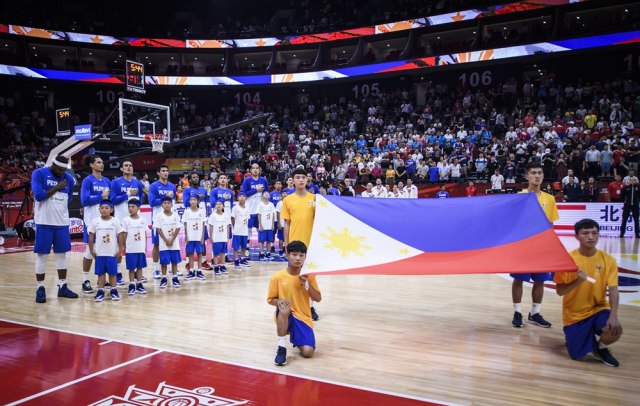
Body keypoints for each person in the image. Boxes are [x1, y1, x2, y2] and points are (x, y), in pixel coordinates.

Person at [554, 219, 622, 367]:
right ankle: (581, 338)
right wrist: (578, 281)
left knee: (615, 329)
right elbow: (560, 291)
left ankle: (600, 348)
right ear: (576, 237)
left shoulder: (608, 260)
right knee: (578, 356)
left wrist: (613, 315)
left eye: (594, 233)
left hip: (598, 308)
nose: (591, 237)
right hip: (574, 315)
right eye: (585, 233)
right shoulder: (568, 261)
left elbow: (613, 289)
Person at [511, 162, 559, 328]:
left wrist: (550, 246)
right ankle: (517, 312)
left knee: (540, 280)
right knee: (518, 279)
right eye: (533, 173)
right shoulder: (519, 197)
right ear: (527, 176)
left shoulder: (550, 199)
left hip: (541, 247)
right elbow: (514, 222)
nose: (537, 176)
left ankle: (535, 313)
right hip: (523, 246)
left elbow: (550, 225)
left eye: (539, 173)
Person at [31, 155, 78, 303]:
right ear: (53, 165)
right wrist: (57, 187)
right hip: (44, 222)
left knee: (62, 255)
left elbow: (68, 199)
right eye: (59, 169)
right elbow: (39, 196)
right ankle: (40, 288)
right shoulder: (39, 173)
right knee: (42, 256)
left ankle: (62, 286)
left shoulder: (68, 179)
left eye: (64, 170)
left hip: (62, 223)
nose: (62, 172)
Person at [267, 241, 321, 366]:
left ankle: (297, 337)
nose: (298, 258)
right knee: (284, 308)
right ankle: (281, 347)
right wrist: (280, 301)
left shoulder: (309, 276)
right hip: (286, 314)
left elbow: (318, 298)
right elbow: (270, 299)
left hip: (303, 317)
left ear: (305, 257)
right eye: (294, 254)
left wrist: (307, 285)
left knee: (308, 352)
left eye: (301, 255)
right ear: (287, 255)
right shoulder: (278, 277)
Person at [282, 167, 319, 321]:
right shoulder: (287, 200)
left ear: (307, 180)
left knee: (310, 277)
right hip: (294, 245)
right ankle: (295, 306)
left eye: (303, 177)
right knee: (294, 277)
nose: (301, 180)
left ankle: (310, 307)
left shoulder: (315, 199)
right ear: (293, 180)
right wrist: (286, 244)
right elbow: (286, 224)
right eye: (298, 177)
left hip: (311, 244)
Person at [80, 155, 111, 294]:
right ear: (92, 165)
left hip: (105, 221)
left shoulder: (107, 181)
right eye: (98, 162)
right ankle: (85, 280)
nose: (101, 164)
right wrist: (101, 196)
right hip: (91, 221)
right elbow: (84, 201)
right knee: (90, 250)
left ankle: (102, 279)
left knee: (105, 249)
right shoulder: (87, 180)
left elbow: (109, 201)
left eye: (102, 162)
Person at [110, 159, 144, 285]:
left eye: (130, 165)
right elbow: (113, 200)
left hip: (134, 221)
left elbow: (140, 200)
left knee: (134, 246)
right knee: (119, 247)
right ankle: (118, 273)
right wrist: (128, 194)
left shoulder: (138, 183)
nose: (128, 167)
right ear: (121, 169)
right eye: (126, 165)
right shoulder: (116, 182)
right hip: (120, 219)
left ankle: (135, 273)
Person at [88, 200, 124, 302]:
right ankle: (100, 291)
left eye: (106, 208)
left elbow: (121, 235)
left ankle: (113, 290)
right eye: (102, 208)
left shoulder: (115, 221)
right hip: (99, 253)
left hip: (112, 253)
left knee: (112, 273)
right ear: (99, 209)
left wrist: (120, 249)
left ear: (111, 210)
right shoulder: (95, 221)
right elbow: (91, 236)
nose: (104, 210)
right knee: (101, 273)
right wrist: (91, 250)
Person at [149, 165, 177, 279]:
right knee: (156, 244)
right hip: (158, 219)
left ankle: (171, 268)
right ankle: (156, 269)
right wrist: (165, 197)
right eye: (163, 171)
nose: (165, 173)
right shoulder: (154, 186)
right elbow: (151, 202)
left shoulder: (172, 186)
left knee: (171, 243)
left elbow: (173, 203)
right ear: (158, 173)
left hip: (170, 219)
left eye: (167, 171)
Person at [183, 172, 213, 272]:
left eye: (197, 177)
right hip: (191, 217)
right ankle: (188, 263)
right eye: (193, 177)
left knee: (203, 239)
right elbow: (185, 203)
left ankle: (203, 262)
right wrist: (197, 199)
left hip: (201, 217)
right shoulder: (187, 190)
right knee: (189, 240)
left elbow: (206, 202)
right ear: (190, 180)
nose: (195, 178)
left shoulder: (203, 190)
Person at [153, 197, 182, 289]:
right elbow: (158, 229)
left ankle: (175, 278)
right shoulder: (159, 216)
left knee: (174, 262)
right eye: (165, 203)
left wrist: (172, 240)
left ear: (172, 205)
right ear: (162, 205)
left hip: (174, 244)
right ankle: (164, 278)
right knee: (164, 262)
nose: (167, 205)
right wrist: (166, 240)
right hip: (164, 244)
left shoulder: (176, 215)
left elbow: (178, 228)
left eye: (168, 203)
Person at [121, 199, 148, 295]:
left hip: (140, 248)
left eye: (133, 207)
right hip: (130, 248)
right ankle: (132, 284)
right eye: (129, 207)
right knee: (131, 268)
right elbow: (124, 234)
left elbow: (145, 234)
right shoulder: (125, 220)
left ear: (138, 208)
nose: (130, 209)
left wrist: (145, 246)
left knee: (140, 267)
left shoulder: (143, 220)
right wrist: (124, 246)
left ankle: (139, 284)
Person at [241, 163, 269, 248]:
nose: (255, 170)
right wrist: (256, 190)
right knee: (248, 229)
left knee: (260, 228)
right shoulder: (247, 180)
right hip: (250, 209)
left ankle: (262, 249)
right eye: (253, 168)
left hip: (261, 210)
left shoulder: (264, 180)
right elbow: (243, 194)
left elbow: (266, 193)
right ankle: (246, 247)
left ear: (260, 170)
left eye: (257, 168)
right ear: (250, 170)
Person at [183, 193, 207, 281]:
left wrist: (202, 237)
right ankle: (191, 271)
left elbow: (203, 225)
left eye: (194, 200)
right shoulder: (186, 212)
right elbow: (185, 225)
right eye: (191, 200)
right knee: (190, 254)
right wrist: (186, 236)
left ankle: (199, 271)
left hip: (199, 236)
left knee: (200, 253)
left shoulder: (202, 212)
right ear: (189, 201)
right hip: (190, 237)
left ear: (197, 201)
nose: (193, 201)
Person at [208, 200, 231, 276]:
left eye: (220, 204)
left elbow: (227, 227)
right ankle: (216, 267)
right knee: (215, 254)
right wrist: (211, 237)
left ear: (223, 206)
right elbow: (210, 227)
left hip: (223, 238)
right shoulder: (213, 216)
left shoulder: (226, 216)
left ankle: (222, 266)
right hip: (216, 238)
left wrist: (227, 236)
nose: (218, 205)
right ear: (215, 206)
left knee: (223, 253)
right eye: (217, 204)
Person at [231, 192, 251, 269]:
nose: (242, 197)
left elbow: (247, 219)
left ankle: (242, 259)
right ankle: (236, 260)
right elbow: (232, 218)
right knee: (236, 246)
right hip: (237, 230)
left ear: (246, 198)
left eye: (243, 196)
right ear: (237, 198)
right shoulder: (235, 207)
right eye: (240, 196)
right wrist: (234, 226)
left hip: (244, 230)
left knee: (243, 246)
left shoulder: (247, 208)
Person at [258, 191, 277, 261]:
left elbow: (273, 214)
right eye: (265, 193)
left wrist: (273, 224)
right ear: (262, 196)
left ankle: (268, 253)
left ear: (269, 196)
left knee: (269, 240)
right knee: (261, 240)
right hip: (263, 225)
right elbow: (259, 215)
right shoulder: (260, 204)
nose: (266, 194)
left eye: (268, 194)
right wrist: (260, 224)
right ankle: (261, 254)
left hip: (269, 225)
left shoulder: (271, 204)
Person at [274, 191, 288, 258]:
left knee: (287, 238)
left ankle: (286, 250)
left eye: (286, 193)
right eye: (283, 193)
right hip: (282, 223)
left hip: (288, 223)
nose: (284, 194)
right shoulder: (279, 203)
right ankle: (280, 250)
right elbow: (278, 213)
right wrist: (279, 223)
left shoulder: (289, 202)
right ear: (281, 195)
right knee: (281, 238)